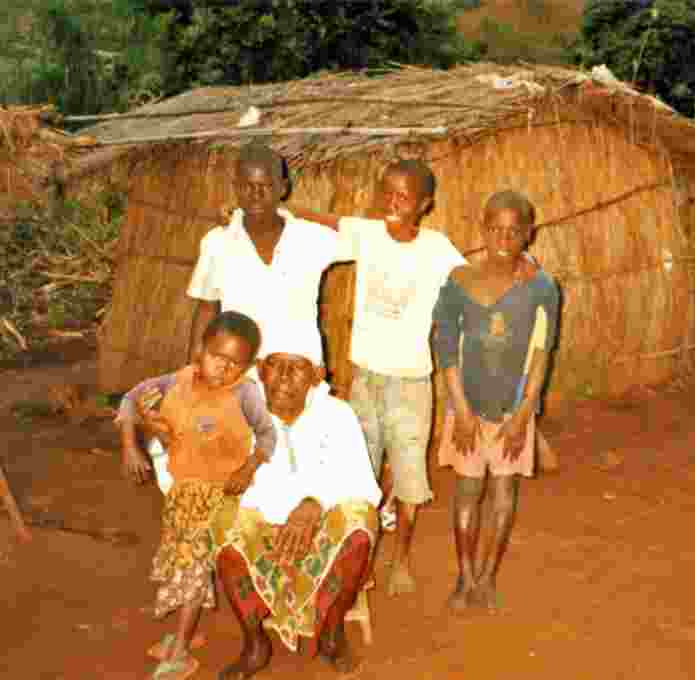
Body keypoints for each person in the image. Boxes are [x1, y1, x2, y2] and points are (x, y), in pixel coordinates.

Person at [296, 159, 466, 596]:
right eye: (386, 191)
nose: (392, 201)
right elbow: (324, 220)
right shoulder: (367, 235)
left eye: (404, 195)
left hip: (411, 383)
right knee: (359, 471)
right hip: (366, 381)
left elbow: (468, 284)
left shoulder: (437, 248)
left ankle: (401, 559)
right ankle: (361, 558)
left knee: (409, 478)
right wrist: (279, 210)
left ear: (424, 204)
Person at [211, 328, 382, 679]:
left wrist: (315, 502)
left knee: (360, 525)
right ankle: (255, 642)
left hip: (320, 527)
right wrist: (277, 513)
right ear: (260, 370)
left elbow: (362, 483)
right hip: (261, 527)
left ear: (317, 375)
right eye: (276, 365)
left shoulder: (337, 414)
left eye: (298, 367)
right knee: (219, 521)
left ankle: (332, 634)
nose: (285, 377)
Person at [118, 311, 277, 680]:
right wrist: (131, 444)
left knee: (192, 569)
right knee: (181, 561)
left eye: (235, 364)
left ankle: (181, 652)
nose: (224, 369)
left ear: (248, 366)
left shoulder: (245, 393)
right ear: (199, 350)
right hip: (182, 494)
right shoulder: (177, 381)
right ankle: (181, 635)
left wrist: (248, 468)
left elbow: (267, 436)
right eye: (216, 357)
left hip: (220, 497)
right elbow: (129, 399)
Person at [431, 190, 559, 611]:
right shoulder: (459, 281)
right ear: (482, 229)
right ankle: (464, 575)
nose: (503, 237)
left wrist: (524, 414)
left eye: (513, 231)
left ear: (528, 234)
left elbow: (541, 352)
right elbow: (446, 347)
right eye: (495, 229)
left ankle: (487, 577)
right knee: (468, 490)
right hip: (468, 407)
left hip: (513, 412)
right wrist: (462, 411)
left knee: (503, 492)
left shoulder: (541, 287)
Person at [185, 142, 341, 368]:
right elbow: (207, 309)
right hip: (238, 374)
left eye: (266, 185)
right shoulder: (217, 243)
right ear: (235, 188)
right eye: (247, 186)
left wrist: (295, 210)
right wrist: (193, 368)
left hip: (299, 377)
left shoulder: (313, 238)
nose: (255, 195)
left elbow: (370, 234)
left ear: (283, 188)